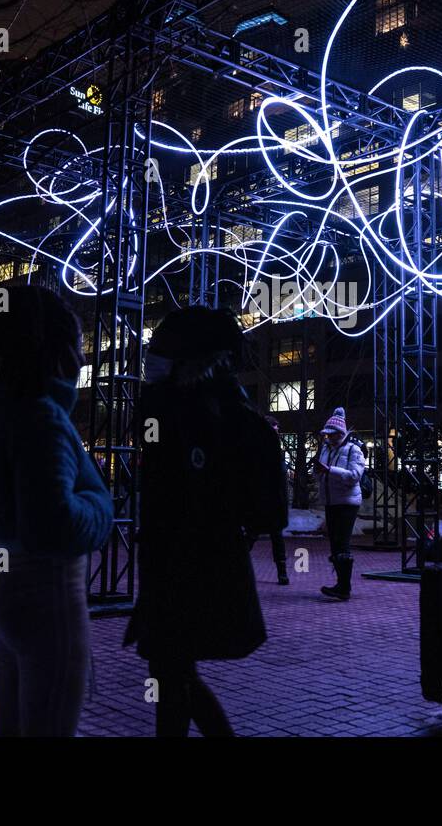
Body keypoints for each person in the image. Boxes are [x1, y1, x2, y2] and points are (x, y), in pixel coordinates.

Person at [0, 286, 114, 737]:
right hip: (51, 598)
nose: (81, 360)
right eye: (77, 345)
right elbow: (54, 526)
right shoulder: (44, 418)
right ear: (54, 349)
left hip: (3, 596)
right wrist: (102, 505)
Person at [125, 307, 285, 737]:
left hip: (188, 568)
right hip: (175, 566)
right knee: (171, 673)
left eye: (160, 352)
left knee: (170, 671)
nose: (151, 361)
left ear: (190, 359)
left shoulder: (218, 415)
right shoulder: (194, 407)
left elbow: (266, 506)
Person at [312, 407, 367, 601]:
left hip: (347, 502)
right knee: (335, 543)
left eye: (332, 435)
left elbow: (354, 476)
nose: (329, 438)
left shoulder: (354, 450)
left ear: (341, 433)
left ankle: (344, 587)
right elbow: (321, 474)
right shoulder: (326, 449)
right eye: (327, 435)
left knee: (342, 543)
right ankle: (341, 585)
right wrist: (319, 471)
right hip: (331, 501)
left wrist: (329, 470)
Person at [244, 415, 290, 585]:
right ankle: (238, 568)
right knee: (253, 535)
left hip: (273, 502)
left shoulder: (272, 450)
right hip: (261, 501)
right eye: (274, 430)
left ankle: (282, 572)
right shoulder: (258, 450)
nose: (276, 433)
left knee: (274, 537)